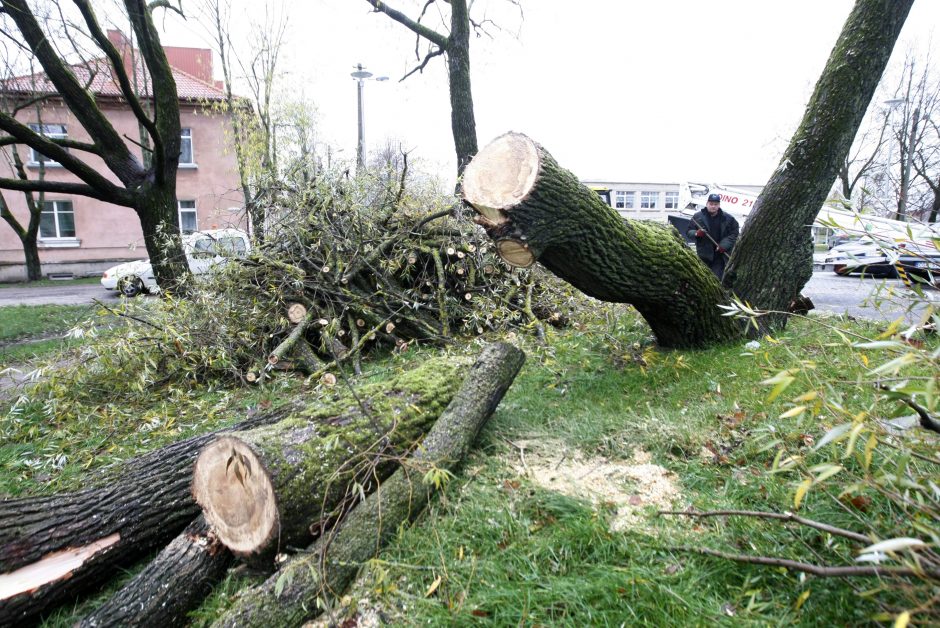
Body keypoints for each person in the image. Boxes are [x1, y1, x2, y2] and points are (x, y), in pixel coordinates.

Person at [687, 193, 739, 280]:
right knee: (703, 280)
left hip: (719, 256)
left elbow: (734, 233)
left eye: (716, 204)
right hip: (703, 255)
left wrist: (724, 245)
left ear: (719, 205)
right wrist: (697, 233)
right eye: (711, 204)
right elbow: (689, 232)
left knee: (716, 280)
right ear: (707, 204)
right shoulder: (698, 217)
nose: (713, 206)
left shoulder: (728, 218)